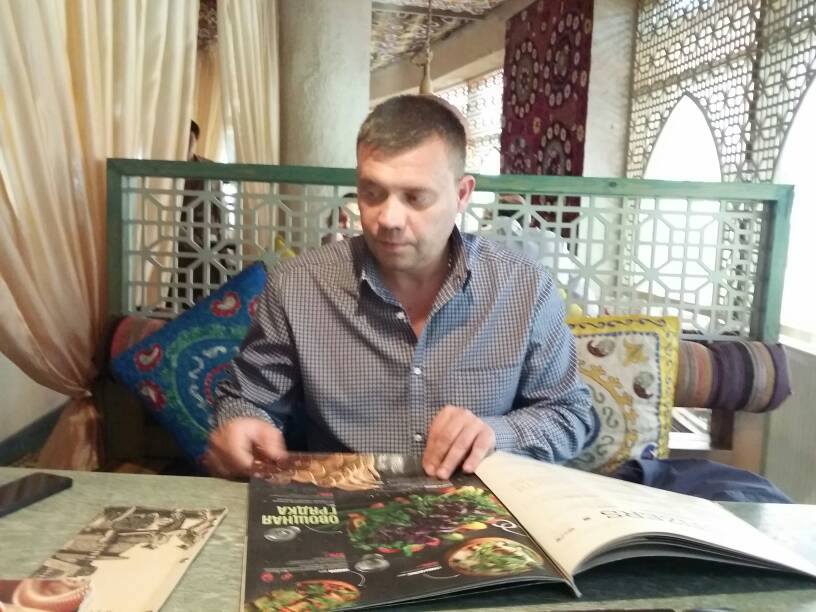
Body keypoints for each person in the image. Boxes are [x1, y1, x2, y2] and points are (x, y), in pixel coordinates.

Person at [205, 95, 594, 480]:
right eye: (372, 193)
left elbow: (570, 414)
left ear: (462, 194)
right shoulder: (299, 287)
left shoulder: (523, 288)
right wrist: (242, 423)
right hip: (344, 503)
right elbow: (247, 399)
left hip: (477, 505)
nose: (388, 219)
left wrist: (496, 434)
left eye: (415, 197)